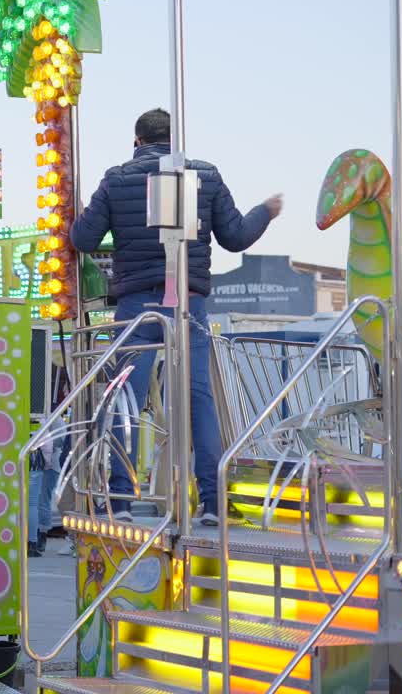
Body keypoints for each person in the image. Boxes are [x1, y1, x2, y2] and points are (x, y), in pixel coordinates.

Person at [71, 108, 281, 526]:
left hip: (137, 305)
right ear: (177, 139)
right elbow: (236, 236)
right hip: (188, 301)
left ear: (137, 141)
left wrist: (87, 212)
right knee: (197, 397)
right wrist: (265, 211)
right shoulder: (205, 174)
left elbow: (83, 238)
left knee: (126, 396)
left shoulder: (117, 178)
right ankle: (211, 503)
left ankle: (121, 499)